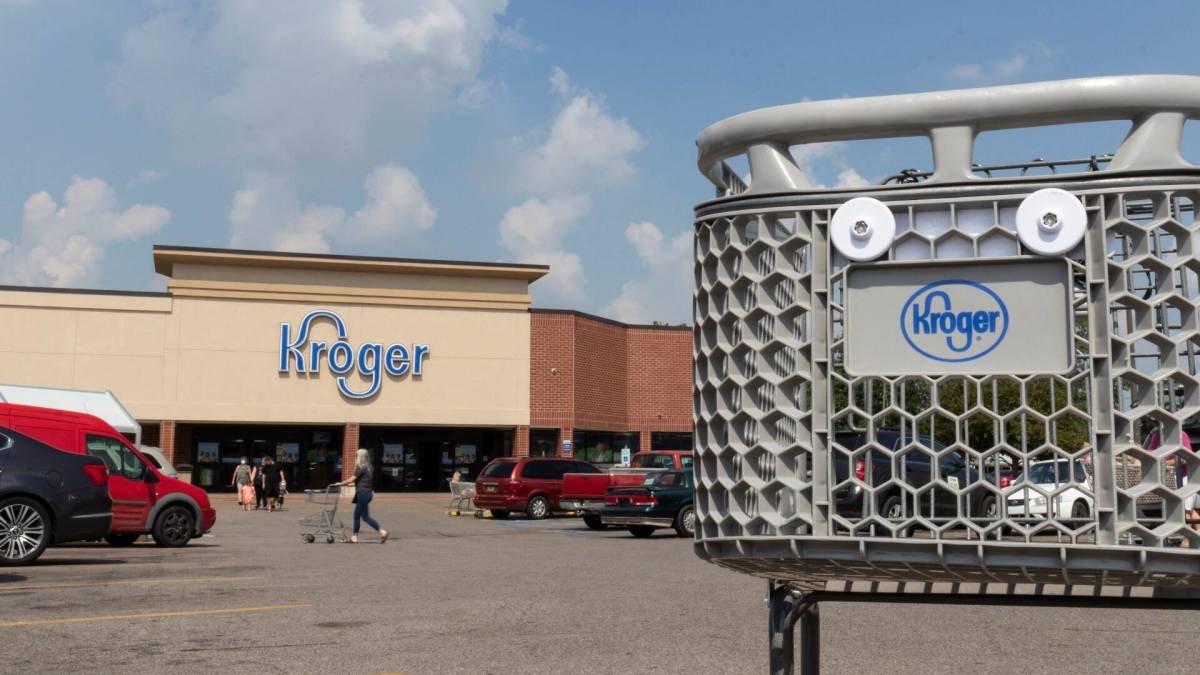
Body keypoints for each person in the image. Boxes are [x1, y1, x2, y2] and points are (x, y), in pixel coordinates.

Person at [336, 448, 388, 544]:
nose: (355, 457)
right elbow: (362, 480)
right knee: (356, 515)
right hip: (368, 493)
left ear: (360, 456)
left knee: (366, 517)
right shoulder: (369, 466)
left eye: (356, 455)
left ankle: (382, 532)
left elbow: (352, 479)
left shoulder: (360, 467)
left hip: (362, 494)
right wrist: (352, 484)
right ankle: (354, 537)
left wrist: (340, 483)